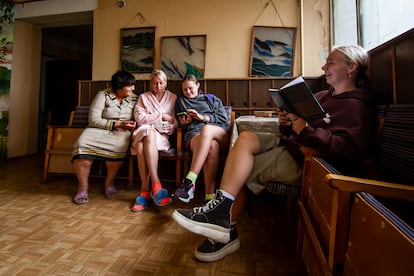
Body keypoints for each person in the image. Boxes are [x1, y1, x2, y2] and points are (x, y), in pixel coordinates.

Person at [172, 45, 374, 262]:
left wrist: (304, 129)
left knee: (240, 170)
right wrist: (288, 122)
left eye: (331, 62)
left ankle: (225, 230)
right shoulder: (324, 95)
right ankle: (220, 216)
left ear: (352, 67)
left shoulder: (356, 106)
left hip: (310, 159)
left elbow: (351, 150)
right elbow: (296, 129)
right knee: (245, 138)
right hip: (293, 144)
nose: (324, 66)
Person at [72, 70, 138, 205]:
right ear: (119, 86)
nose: (133, 88)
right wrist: (116, 124)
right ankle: (83, 187)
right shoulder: (103, 95)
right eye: (129, 85)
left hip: (121, 132)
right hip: (97, 129)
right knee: (81, 144)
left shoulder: (135, 98)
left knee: (119, 146)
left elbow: (139, 116)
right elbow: (93, 119)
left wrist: (131, 125)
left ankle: (109, 182)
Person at [174, 74, 231, 203]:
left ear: (198, 85)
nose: (188, 92)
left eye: (191, 88)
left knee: (207, 129)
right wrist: (185, 123)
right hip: (194, 135)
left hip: (218, 132)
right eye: (185, 89)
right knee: (212, 147)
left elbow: (223, 118)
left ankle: (189, 181)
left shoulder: (210, 98)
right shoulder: (180, 101)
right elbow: (180, 126)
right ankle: (209, 197)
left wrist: (202, 118)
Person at [130, 69, 177, 212]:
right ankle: (156, 185)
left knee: (140, 147)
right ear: (150, 83)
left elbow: (174, 121)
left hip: (161, 135)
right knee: (148, 133)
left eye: (160, 83)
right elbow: (139, 118)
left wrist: (169, 126)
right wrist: (162, 115)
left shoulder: (173, 97)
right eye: (155, 83)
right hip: (143, 131)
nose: (157, 86)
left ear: (165, 83)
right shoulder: (143, 97)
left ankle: (144, 191)